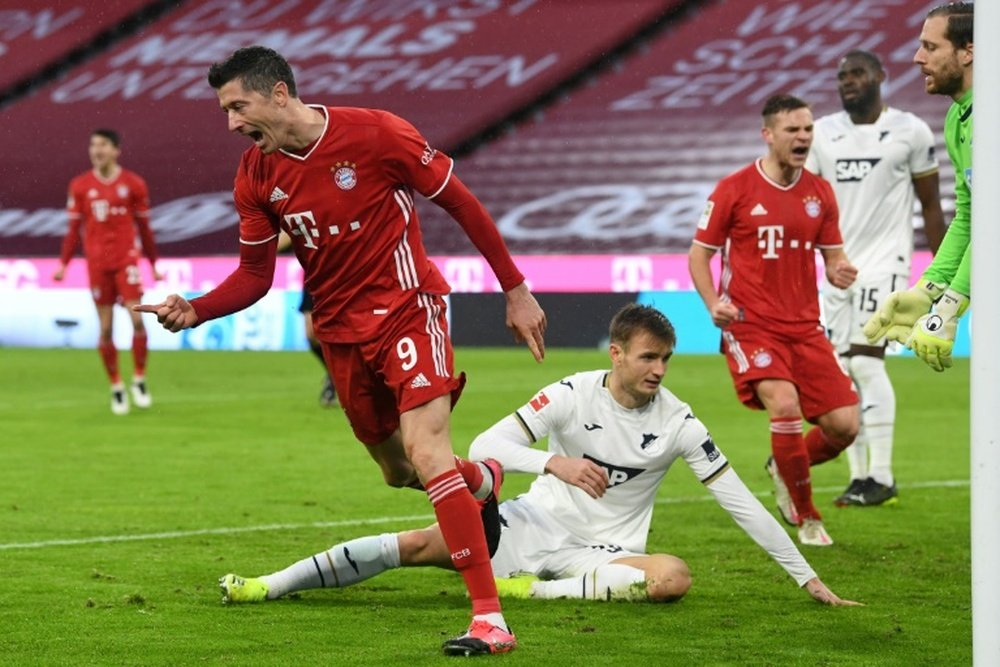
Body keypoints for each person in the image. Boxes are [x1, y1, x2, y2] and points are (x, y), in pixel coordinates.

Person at [135, 46, 546, 656]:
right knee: (399, 472)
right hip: (340, 333)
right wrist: (197, 308)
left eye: (237, 106)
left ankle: (489, 618)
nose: (231, 124)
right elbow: (254, 274)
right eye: (224, 111)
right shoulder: (256, 173)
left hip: (411, 307)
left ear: (279, 93)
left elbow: (459, 200)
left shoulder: (377, 134)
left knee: (426, 450)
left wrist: (515, 289)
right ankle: (480, 480)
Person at [218, 305, 859, 611]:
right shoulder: (570, 393)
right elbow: (487, 446)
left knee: (672, 578)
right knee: (416, 545)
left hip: (601, 554)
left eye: (665, 359)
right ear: (616, 353)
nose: (658, 371)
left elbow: (740, 501)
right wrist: (551, 463)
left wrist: (804, 576)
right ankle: (266, 586)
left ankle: (533, 592)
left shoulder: (679, 423)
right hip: (532, 523)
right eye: (647, 358)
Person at [688, 94, 860, 547]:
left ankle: (783, 466)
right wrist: (712, 304)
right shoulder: (734, 188)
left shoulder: (820, 192)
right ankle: (807, 517)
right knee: (783, 404)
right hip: (750, 322)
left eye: (807, 129)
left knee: (845, 426)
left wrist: (840, 271)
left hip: (805, 327)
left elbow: (834, 257)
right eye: (792, 130)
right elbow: (699, 255)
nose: (803, 137)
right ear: (768, 134)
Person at [805, 50, 945, 507]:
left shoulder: (911, 131)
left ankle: (882, 476)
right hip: (834, 269)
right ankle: (860, 477)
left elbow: (929, 206)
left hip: (885, 265)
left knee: (866, 363)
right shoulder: (823, 133)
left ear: (881, 77)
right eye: (842, 75)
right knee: (840, 373)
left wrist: (943, 275)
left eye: (857, 73)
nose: (848, 81)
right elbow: (810, 205)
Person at [864, 2, 974, 372]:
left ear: (969, 51)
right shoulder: (959, 117)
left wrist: (949, 305)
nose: (916, 57)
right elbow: (971, 217)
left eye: (930, 47)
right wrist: (926, 291)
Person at [54, 128, 163, 415]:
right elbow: (73, 230)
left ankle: (138, 378)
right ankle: (116, 385)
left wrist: (154, 264)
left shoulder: (133, 184)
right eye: (93, 145)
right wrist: (63, 264)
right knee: (105, 328)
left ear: (116, 150)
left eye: (102, 145)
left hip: (127, 260)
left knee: (137, 320)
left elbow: (145, 228)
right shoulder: (79, 185)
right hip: (97, 265)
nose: (96, 150)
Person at [277, 230, 336, 407]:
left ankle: (352, 379)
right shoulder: (296, 206)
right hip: (315, 273)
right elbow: (279, 244)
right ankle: (334, 375)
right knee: (311, 334)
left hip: (345, 269)